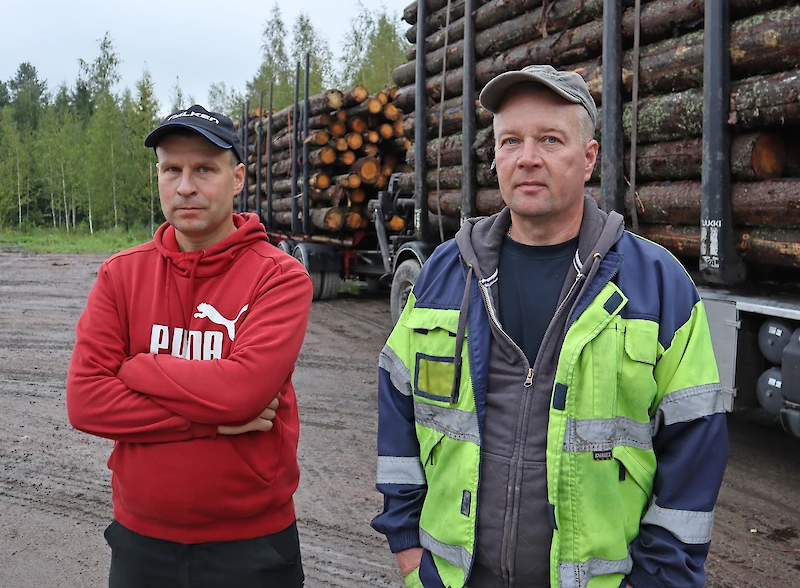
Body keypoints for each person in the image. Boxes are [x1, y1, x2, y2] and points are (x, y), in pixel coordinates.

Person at [372, 66, 729, 588]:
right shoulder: (446, 275)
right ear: (495, 157)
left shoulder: (656, 284)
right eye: (510, 140)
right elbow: (397, 408)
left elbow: (695, 449)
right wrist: (408, 550)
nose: (528, 157)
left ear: (588, 159)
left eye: (550, 140)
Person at [66, 105, 313, 587]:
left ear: (237, 177)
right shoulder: (121, 275)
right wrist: (213, 422)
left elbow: (244, 392)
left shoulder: (279, 277)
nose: (185, 186)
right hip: (142, 543)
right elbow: (86, 402)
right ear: (157, 176)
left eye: (204, 169)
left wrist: (138, 368)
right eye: (171, 169)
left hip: (252, 547)